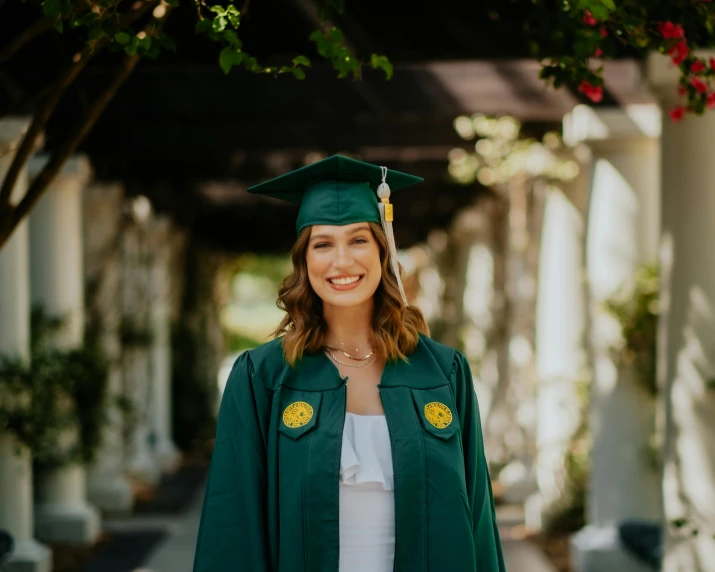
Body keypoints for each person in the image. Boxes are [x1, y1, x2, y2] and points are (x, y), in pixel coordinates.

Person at [193, 155, 505, 572]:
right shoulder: (263, 377)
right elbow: (232, 523)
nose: (342, 261)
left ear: (383, 250)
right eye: (323, 244)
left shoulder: (443, 372)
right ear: (304, 261)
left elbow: (478, 521)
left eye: (358, 240)